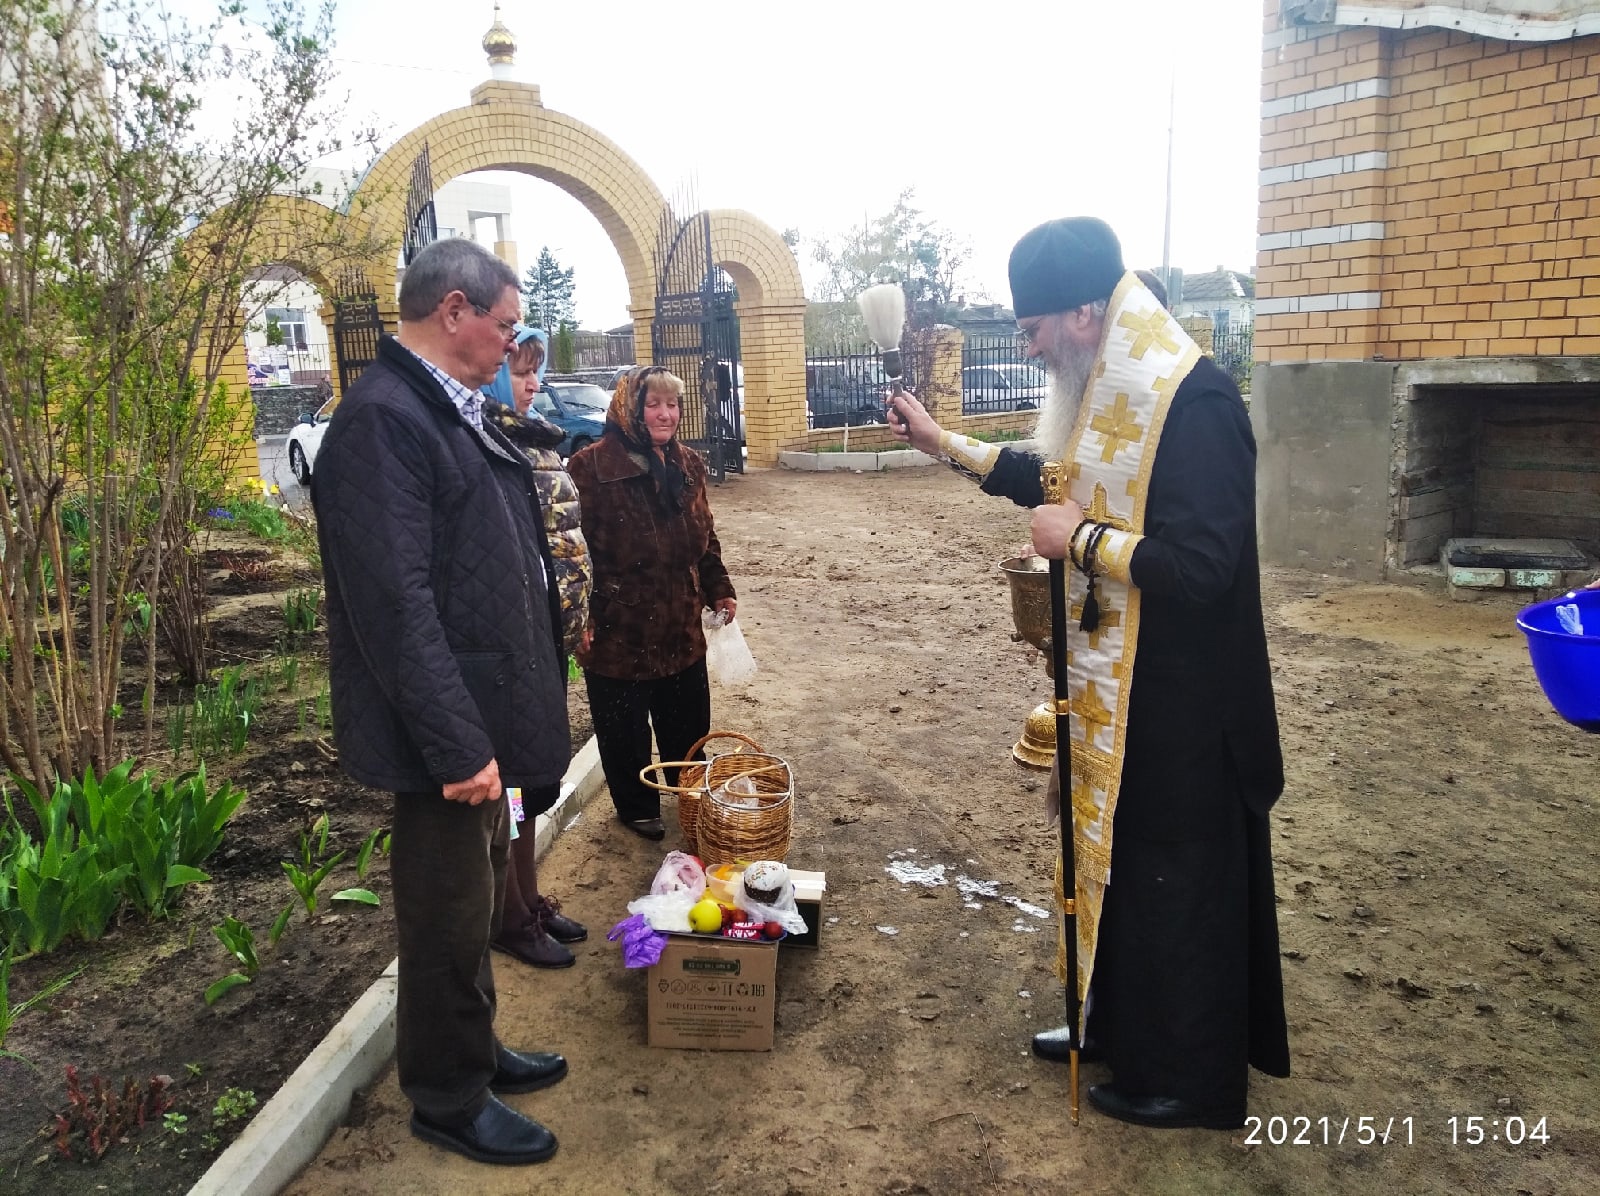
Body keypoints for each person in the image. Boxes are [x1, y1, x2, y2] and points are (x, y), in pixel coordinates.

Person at [886, 217, 1290, 1131]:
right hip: (1125, 692)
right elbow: (1050, 476)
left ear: (1082, 311)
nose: (1026, 344)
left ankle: (1191, 1080)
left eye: (1032, 327)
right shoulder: (1108, 386)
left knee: (1175, 885)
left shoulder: (1196, 403)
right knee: (1114, 866)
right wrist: (939, 442)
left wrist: (1086, 542)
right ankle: (1116, 1029)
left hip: (1189, 705)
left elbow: (1203, 566)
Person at [311, 237, 570, 1166]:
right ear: (452, 311)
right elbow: (395, 606)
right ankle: (449, 1098)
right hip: (446, 737)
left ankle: (475, 1051)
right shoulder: (385, 421)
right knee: (442, 912)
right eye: (504, 326)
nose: (513, 344)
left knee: (474, 902)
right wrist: (459, 745)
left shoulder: (443, 409)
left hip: (480, 715)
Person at [567, 365, 737, 841]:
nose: (666, 415)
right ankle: (636, 806)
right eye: (653, 404)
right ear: (629, 409)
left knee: (686, 726)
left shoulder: (688, 465)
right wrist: (577, 616)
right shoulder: (589, 468)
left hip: (679, 623)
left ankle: (688, 800)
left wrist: (719, 586)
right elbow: (570, 550)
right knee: (624, 733)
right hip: (617, 627)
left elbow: (707, 537)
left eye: (673, 405)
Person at [478, 325, 592, 969]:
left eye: (534, 371)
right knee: (516, 787)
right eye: (521, 372)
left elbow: (564, 547)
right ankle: (510, 914)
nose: (534, 383)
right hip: (512, 650)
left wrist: (579, 618)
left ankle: (528, 896)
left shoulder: (532, 442)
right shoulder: (488, 442)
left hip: (547, 643)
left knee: (532, 784)